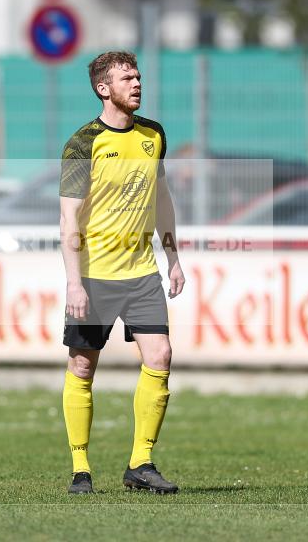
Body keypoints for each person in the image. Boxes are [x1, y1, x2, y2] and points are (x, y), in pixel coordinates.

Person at [59, 50, 185, 494]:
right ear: (102, 88)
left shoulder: (154, 135)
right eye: (126, 78)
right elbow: (68, 219)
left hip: (142, 273)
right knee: (81, 366)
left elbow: (163, 199)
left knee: (161, 357)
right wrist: (74, 282)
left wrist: (172, 257)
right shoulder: (83, 143)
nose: (137, 84)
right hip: (94, 276)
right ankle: (80, 469)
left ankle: (141, 464)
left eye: (138, 76)